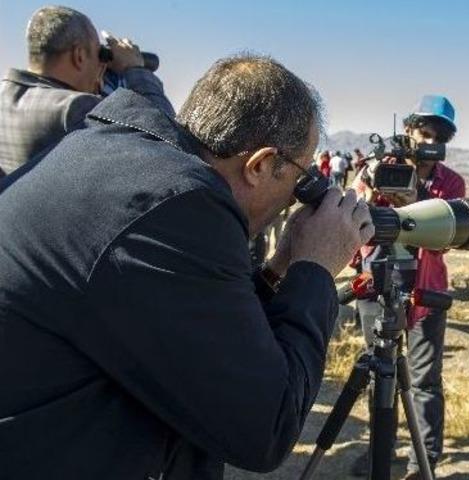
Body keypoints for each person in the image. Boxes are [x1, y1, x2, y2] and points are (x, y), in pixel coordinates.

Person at [0, 54, 374, 479]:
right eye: (299, 181)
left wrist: (278, 269)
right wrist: (315, 270)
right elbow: (265, 426)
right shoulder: (180, 205)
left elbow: (202, 331)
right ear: (259, 165)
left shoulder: (127, 161)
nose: (294, 200)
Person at [350, 95, 465, 479]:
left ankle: (423, 463)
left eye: (438, 138)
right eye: (423, 133)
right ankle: (379, 454)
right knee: (379, 374)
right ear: (408, 130)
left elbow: (446, 241)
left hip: (425, 292)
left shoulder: (450, 182)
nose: (429, 143)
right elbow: (350, 219)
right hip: (375, 284)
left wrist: (418, 203)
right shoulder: (382, 167)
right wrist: (367, 188)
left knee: (424, 380)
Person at [0, 5, 174, 177]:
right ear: (79, 56)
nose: (101, 65)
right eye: (99, 54)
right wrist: (136, 70)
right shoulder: (76, 107)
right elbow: (169, 145)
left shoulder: (4, 96)